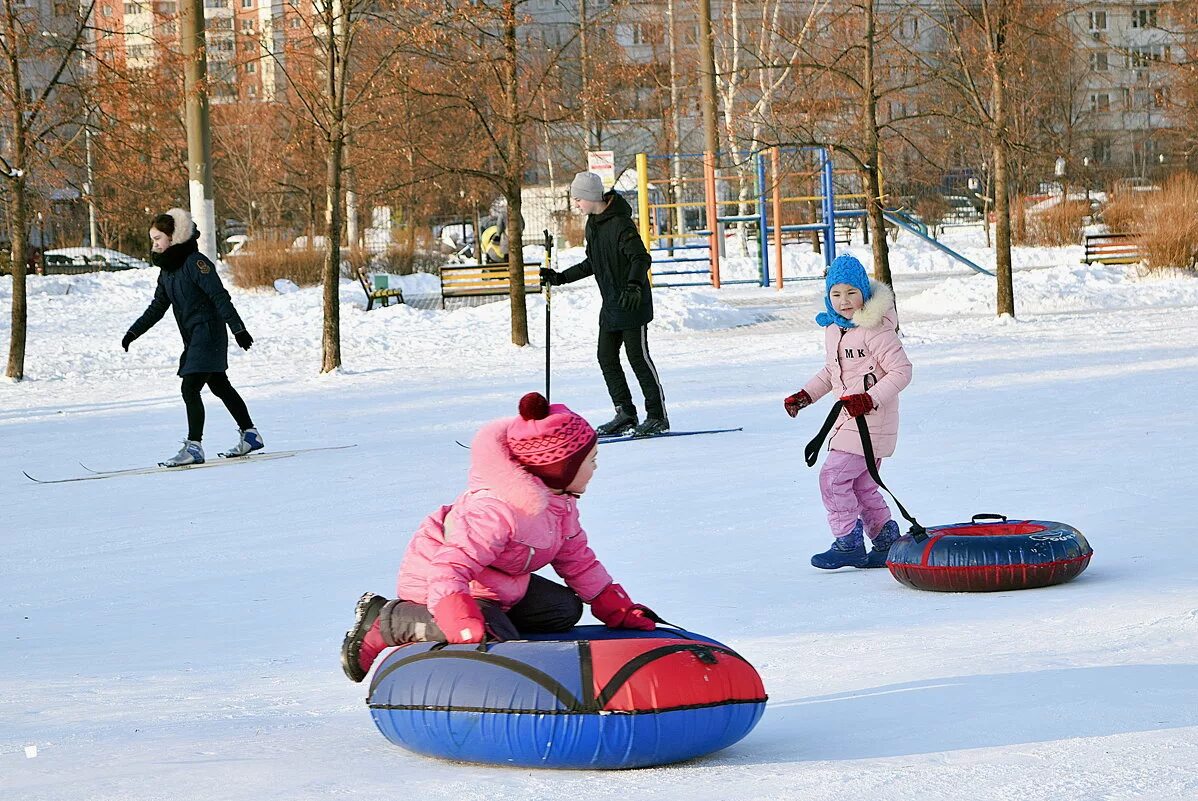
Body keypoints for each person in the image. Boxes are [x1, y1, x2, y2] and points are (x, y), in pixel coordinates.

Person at [340, 392, 657, 683]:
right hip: (440, 585)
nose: (595, 469)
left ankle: (493, 621)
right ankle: (388, 619)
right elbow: (448, 569)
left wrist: (617, 607)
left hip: (497, 584)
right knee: (491, 639)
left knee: (564, 609)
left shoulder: (561, 504)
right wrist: (459, 615)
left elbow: (578, 561)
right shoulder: (495, 509)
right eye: (591, 461)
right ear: (559, 468)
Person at [783, 254, 913, 570]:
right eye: (836, 294)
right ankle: (884, 543)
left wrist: (869, 399)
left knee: (832, 478)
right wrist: (806, 395)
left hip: (871, 420)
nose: (844, 301)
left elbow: (902, 371)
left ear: (864, 294)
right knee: (861, 484)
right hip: (850, 418)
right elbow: (832, 372)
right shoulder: (835, 331)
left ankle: (848, 543)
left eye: (851, 293)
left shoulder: (876, 330)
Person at [122, 208, 263, 467]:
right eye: (153, 239)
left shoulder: (196, 264)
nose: (154, 244)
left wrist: (238, 329)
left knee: (190, 387)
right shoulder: (168, 271)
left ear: (173, 238)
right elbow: (157, 306)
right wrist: (134, 331)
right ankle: (250, 434)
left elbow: (220, 297)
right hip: (193, 337)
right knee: (220, 385)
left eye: (158, 239)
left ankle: (194, 446)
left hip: (208, 335)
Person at [540, 172, 668, 437]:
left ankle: (657, 416)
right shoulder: (593, 225)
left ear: (589, 197)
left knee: (638, 359)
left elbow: (640, 258)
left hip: (632, 303)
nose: (576, 204)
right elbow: (592, 263)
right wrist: (561, 278)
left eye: (578, 199)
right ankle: (625, 413)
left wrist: (634, 285)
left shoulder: (621, 224)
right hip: (611, 305)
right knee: (606, 357)